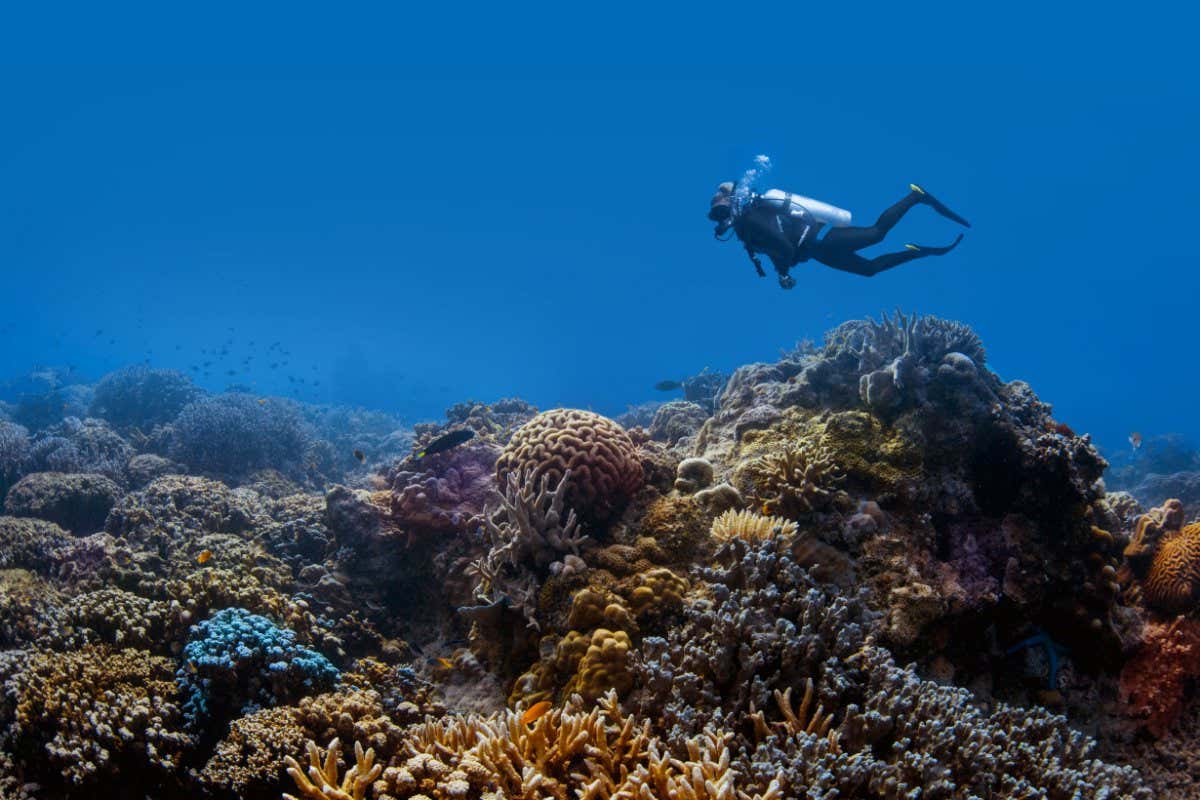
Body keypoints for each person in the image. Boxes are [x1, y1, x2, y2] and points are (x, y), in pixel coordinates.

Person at [708, 181, 970, 289]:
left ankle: (915, 196)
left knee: (877, 234)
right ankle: (916, 251)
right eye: (718, 216)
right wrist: (782, 272)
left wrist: (784, 273)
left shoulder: (751, 218)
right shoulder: (746, 231)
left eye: (722, 212)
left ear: (732, 204)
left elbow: (781, 247)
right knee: (869, 270)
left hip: (823, 240)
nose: (722, 219)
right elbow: (777, 247)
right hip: (819, 250)